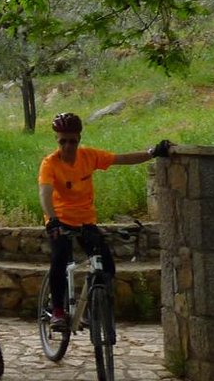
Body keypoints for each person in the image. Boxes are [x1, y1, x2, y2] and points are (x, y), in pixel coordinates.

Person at [38, 111, 172, 330]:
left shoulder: (89, 157)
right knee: (60, 258)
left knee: (106, 265)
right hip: (59, 219)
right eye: (63, 141)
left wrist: (152, 152)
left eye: (72, 141)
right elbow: (44, 194)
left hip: (85, 220)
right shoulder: (50, 164)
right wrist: (52, 220)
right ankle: (58, 311)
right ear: (57, 140)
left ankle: (92, 306)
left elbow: (122, 159)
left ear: (79, 139)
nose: (68, 146)